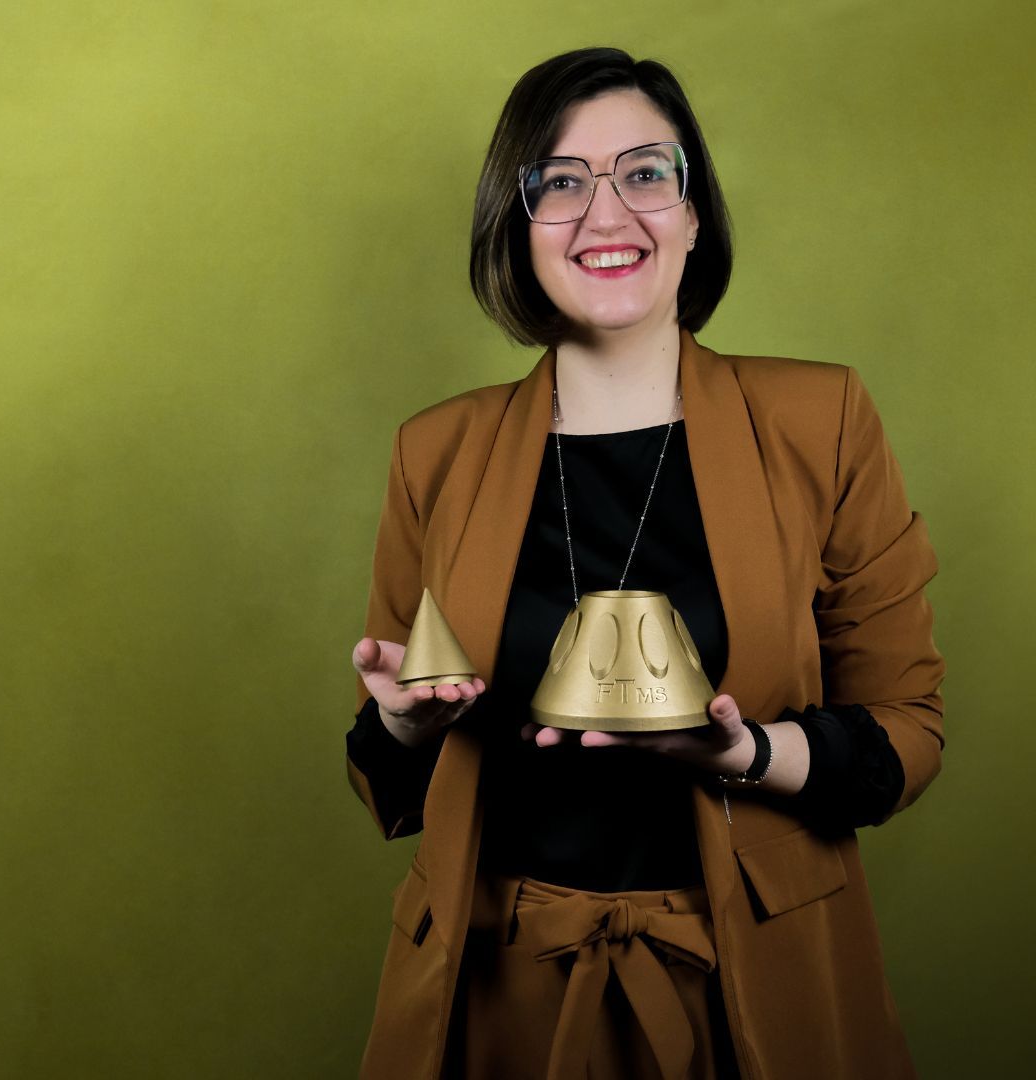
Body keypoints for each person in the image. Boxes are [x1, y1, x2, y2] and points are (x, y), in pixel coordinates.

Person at [346, 46, 944, 1080]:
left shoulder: (823, 420)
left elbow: (908, 733)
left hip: (753, 987)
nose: (606, 214)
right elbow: (386, 785)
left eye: (645, 173)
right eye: (561, 182)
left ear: (694, 213)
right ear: (516, 223)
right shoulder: (434, 452)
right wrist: (403, 723)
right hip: (495, 993)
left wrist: (747, 752)